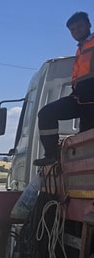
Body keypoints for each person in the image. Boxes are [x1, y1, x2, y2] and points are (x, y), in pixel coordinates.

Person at [35, 11, 94, 167]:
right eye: (72, 30)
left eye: (79, 26)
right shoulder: (80, 49)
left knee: (87, 142)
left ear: (89, 25)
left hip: (91, 101)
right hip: (80, 98)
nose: (76, 31)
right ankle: (51, 154)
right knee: (46, 113)